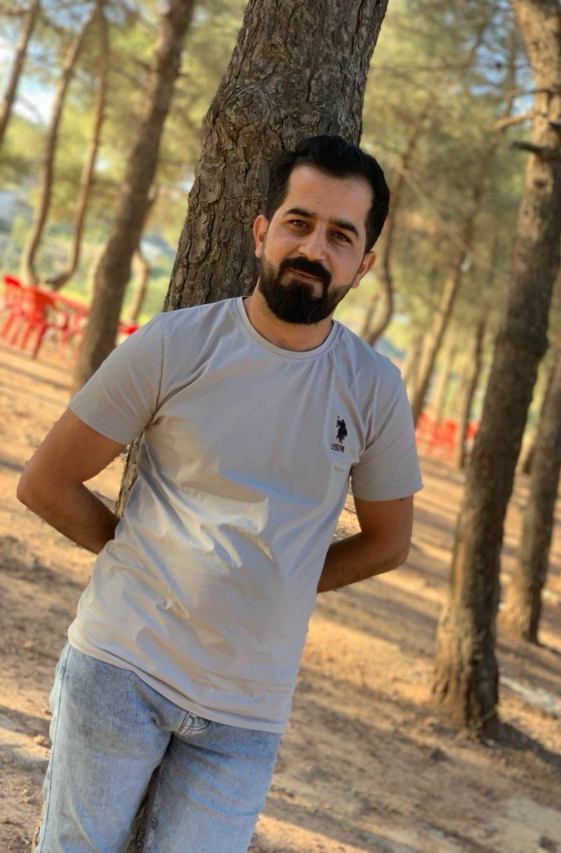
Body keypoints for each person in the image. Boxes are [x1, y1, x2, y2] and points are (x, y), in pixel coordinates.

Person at [18, 135, 424, 853]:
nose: (313, 249)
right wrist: (138, 555)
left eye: (340, 236)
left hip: (246, 715)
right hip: (120, 667)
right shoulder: (175, 344)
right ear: (262, 231)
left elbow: (390, 542)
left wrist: (285, 582)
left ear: (363, 263)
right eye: (298, 222)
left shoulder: (375, 389)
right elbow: (46, 483)